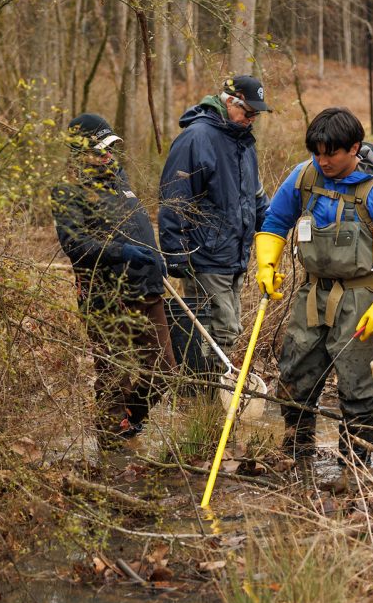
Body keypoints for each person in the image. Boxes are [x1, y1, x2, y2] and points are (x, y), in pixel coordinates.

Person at [255, 108, 373, 466]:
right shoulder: (304, 176)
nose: (323, 160)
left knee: (358, 387)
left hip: (363, 297)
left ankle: (355, 465)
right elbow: (275, 221)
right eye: (317, 152)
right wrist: (267, 264)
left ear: (354, 148)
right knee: (295, 376)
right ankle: (297, 453)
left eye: (331, 153)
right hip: (312, 294)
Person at [51, 113, 177, 451]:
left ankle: (131, 421)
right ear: (80, 151)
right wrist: (124, 252)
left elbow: (136, 225)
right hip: (106, 297)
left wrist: (155, 256)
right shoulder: (68, 190)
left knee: (164, 368)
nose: (109, 155)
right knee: (114, 377)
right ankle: (110, 451)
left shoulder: (119, 178)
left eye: (111, 148)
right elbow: (76, 245)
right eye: (101, 149)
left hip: (147, 288)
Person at [158, 75, 270, 353]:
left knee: (227, 329)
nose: (252, 119)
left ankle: (208, 391)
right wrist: (176, 253)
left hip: (235, 254)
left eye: (257, 114)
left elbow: (255, 197)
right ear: (229, 102)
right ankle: (206, 393)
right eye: (248, 112)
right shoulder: (196, 139)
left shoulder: (244, 143)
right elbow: (174, 200)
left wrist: (274, 230)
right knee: (218, 331)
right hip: (204, 255)